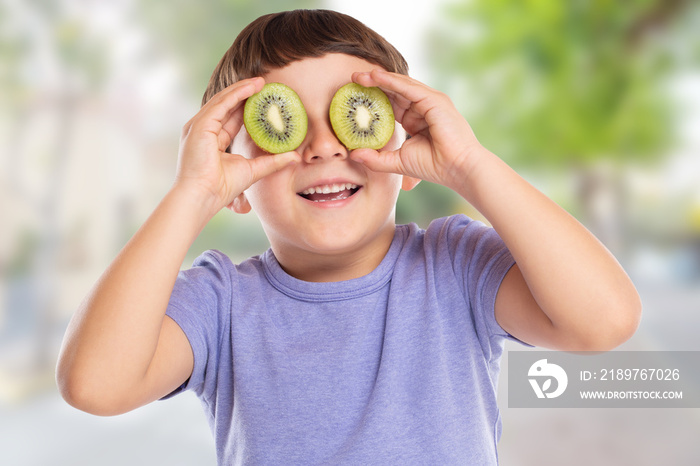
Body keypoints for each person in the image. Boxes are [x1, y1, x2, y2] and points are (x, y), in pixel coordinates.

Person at [56, 9, 641, 465]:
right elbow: (95, 385)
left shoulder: (455, 265)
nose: (323, 145)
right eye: (282, 124)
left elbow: (604, 321)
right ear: (233, 180)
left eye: (351, 114)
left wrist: (471, 166)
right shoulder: (219, 302)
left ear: (405, 154)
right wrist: (189, 196)